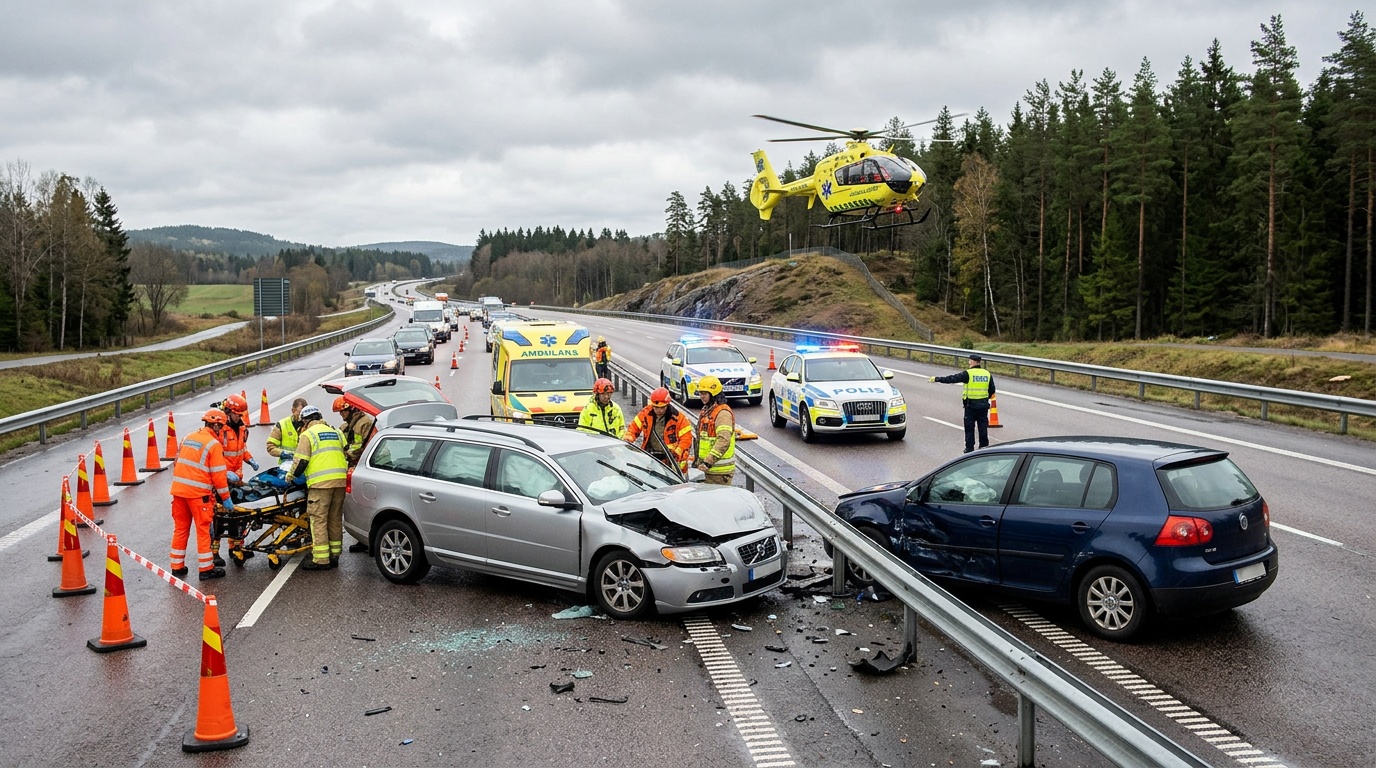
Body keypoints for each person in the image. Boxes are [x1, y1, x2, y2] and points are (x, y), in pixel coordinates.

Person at [169, 408, 233, 581]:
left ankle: (177, 566)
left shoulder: (187, 438)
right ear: (218, 426)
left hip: (179, 491)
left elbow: (178, 463)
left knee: (181, 529)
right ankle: (206, 569)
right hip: (198, 495)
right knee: (203, 530)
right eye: (222, 428)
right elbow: (219, 476)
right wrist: (226, 498)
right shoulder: (213, 444)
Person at [285, 405, 349, 571]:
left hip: (321, 485)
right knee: (334, 519)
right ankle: (335, 555)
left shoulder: (308, 435)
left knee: (318, 520)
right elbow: (346, 451)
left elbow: (301, 461)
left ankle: (321, 560)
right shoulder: (335, 431)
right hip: (340, 482)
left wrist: (290, 477)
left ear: (306, 420)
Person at [209, 393, 259, 565]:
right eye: (237, 414)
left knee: (237, 516)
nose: (240, 417)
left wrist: (250, 459)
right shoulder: (220, 429)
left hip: (235, 478)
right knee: (218, 517)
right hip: (220, 478)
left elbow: (241, 449)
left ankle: (236, 547)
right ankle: (214, 553)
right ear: (229, 412)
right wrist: (223, 473)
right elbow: (215, 454)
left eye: (241, 414)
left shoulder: (241, 428)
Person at [333, 395, 377, 554]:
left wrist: (344, 455)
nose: (341, 415)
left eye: (342, 412)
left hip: (366, 467)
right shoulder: (348, 426)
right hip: (356, 466)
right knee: (357, 506)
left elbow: (359, 447)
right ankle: (362, 539)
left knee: (365, 505)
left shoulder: (364, 423)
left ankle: (369, 541)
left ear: (351, 409)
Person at [929, 352, 996, 453]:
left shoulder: (968, 374)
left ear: (973, 362)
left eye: (970, 361)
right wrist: (984, 399)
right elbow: (992, 390)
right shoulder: (987, 374)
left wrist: (937, 379)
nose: (969, 363)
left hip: (971, 406)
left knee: (969, 428)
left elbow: (952, 379)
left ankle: (969, 449)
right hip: (983, 406)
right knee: (982, 427)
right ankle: (984, 447)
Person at [625, 386, 693, 472]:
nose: (659, 410)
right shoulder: (646, 413)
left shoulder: (679, 418)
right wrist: (628, 439)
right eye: (656, 407)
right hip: (651, 456)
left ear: (667, 404)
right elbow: (634, 428)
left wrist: (677, 452)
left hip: (671, 460)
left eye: (662, 407)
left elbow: (686, 439)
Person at [694, 375, 736, 485]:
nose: (702, 396)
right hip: (709, 469)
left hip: (720, 472)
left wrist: (708, 461)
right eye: (700, 393)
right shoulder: (707, 410)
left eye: (705, 393)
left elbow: (723, 440)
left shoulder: (722, 413)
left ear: (713, 394)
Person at [266, 397, 309, 466]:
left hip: (305, 467)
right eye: (300, 413)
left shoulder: (310, 425)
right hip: (286, 466)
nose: (302, 417)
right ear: (293, 410)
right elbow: (270, 447)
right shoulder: (282, 425)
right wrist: (284, 453)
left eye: (305, 414)